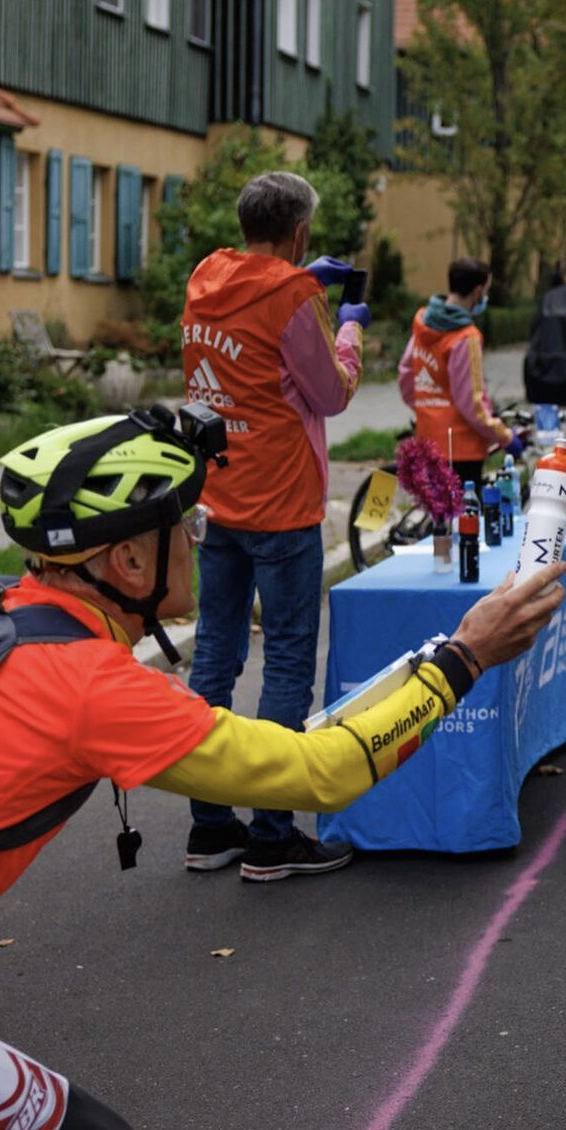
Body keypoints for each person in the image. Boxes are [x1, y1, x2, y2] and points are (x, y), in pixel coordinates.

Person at [0, 408, 565, 1130]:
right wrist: (465, 658)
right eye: (188, 527)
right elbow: (322, 773)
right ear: (129, 561)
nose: (199, 542)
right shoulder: (92, 687)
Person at [181, 172, 370, 881]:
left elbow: (248, 334)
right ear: (300, 232)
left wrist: (301, 281)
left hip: (216, 493)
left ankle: (209, 826)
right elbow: (332, 391)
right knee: (288, 659)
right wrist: (348, 326)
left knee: (214, 656)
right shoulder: (293, 296)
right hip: (283, 503)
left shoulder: (206, 276)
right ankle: (271, 834)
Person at [399, 257, 523, 489]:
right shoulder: (466, 337)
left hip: (427, 439)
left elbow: (406, 374)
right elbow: (472, 403)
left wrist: (427, 409)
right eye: (486, 290)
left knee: (437, 508)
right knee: (465, 510)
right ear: (477, 292)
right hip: (461, 447)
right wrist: (504, 435)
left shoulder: (423, 324)